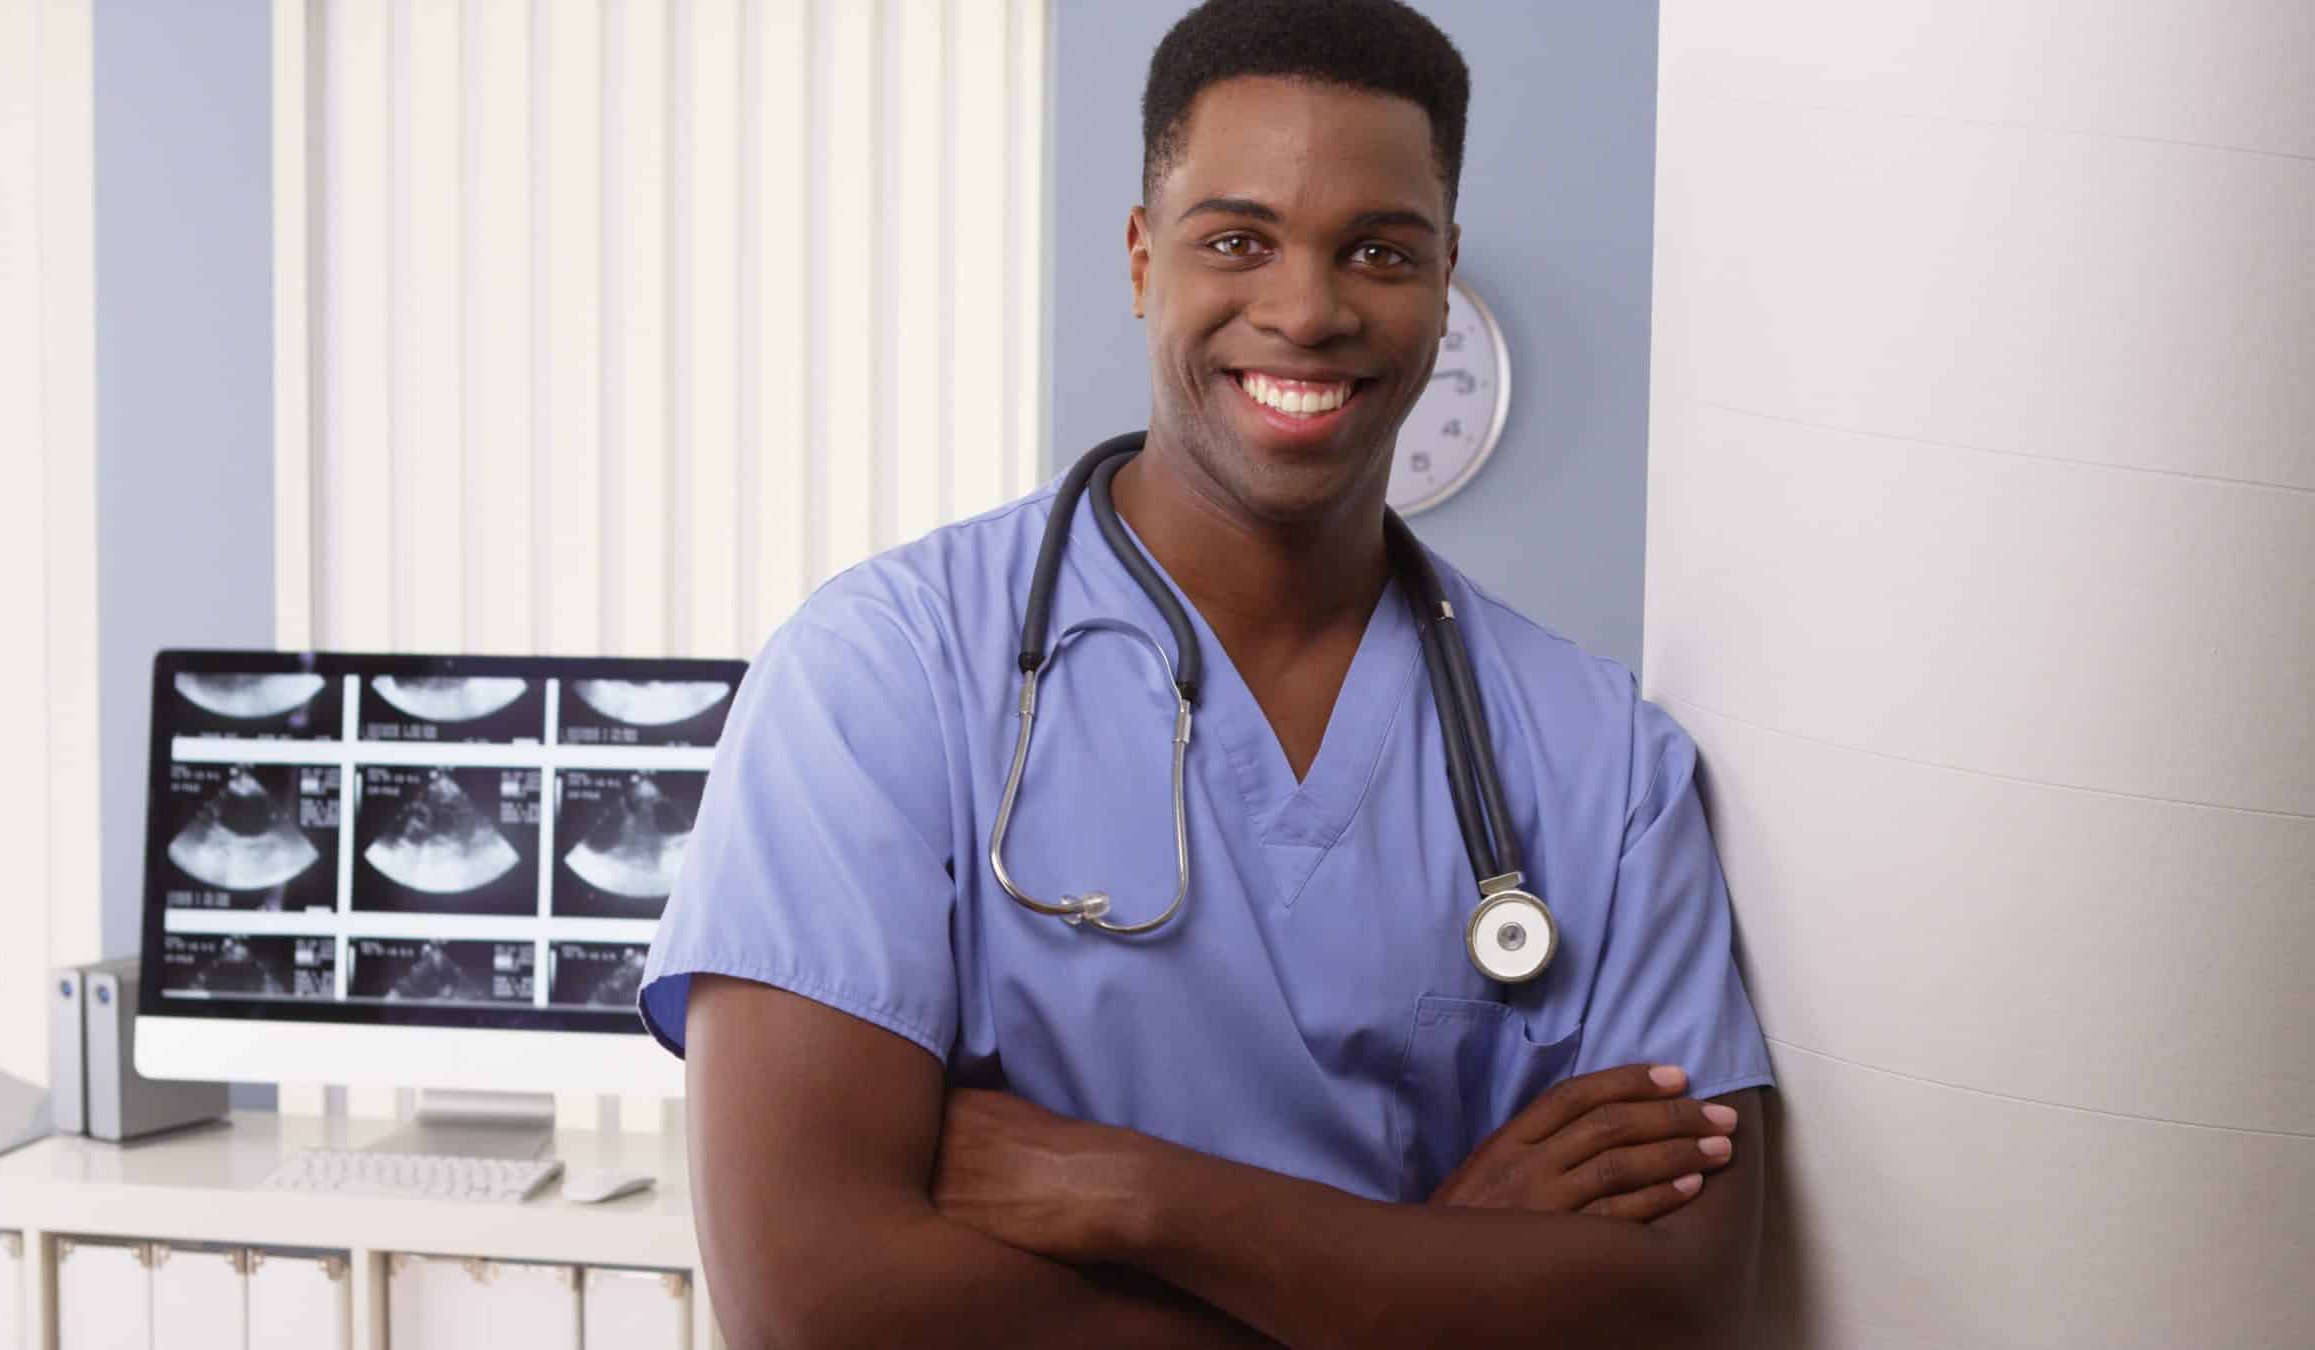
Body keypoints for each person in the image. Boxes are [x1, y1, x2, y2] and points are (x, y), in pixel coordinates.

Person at [640, 1, 1774, 1343]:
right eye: (1238, 240)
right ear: (1140, 257)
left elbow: (1680, 1298)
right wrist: (1435, 1263)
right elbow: (819, 1297)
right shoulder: (881, 676)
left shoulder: (1604, 760)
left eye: (1378, 251)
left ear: (1443, 275)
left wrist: (1140, 1194)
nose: (1306, 308)